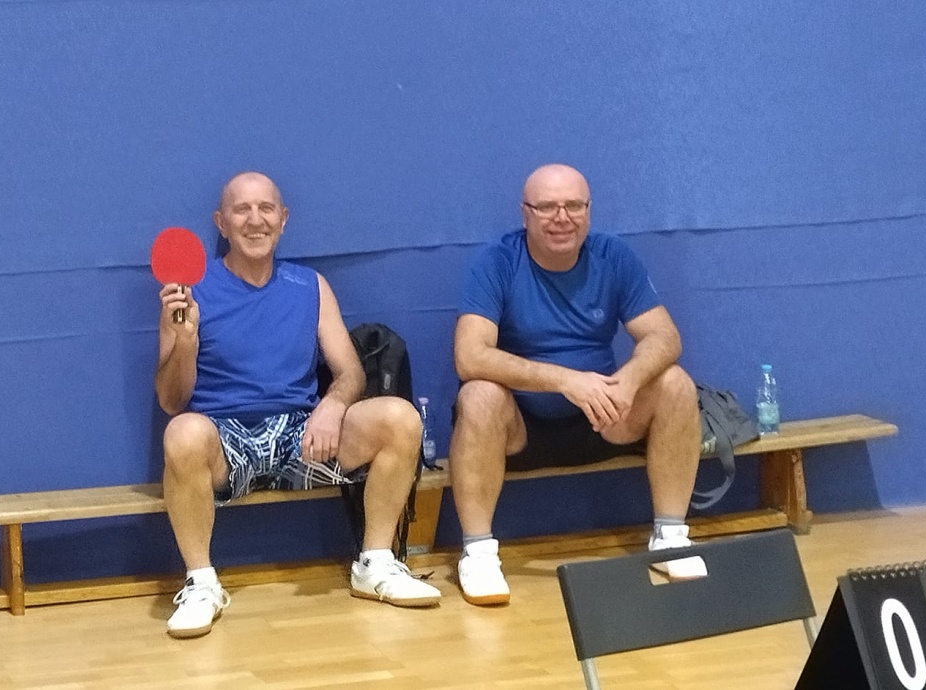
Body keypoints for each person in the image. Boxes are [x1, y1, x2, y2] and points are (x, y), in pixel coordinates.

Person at [155, 171, 441, 638]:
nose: (255, 220)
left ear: (283, 219)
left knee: (399, 417)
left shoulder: (310, 285)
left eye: (266, 208)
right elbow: (172, 401)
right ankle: (201, 584)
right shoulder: (187, 293)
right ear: (221, 223)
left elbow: (351, 374)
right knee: (181, 432)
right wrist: (184, 341)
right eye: (242, 210)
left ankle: (375, 563)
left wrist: (332, 406)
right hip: (224, 439)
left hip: (301, 435)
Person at [449, 163, 707, 606]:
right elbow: (469, 356)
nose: (562, 218)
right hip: (521, 426)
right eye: (547, 207)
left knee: (675, 383)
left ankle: (670, 539)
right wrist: (565, 380)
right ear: (525, 213)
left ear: (589, 210)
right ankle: (478, 554)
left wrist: (628, 380)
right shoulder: (496, 262)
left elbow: (664, 337)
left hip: (604, 416)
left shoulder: (613, 256)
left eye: (573, 206)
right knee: (478, 394)